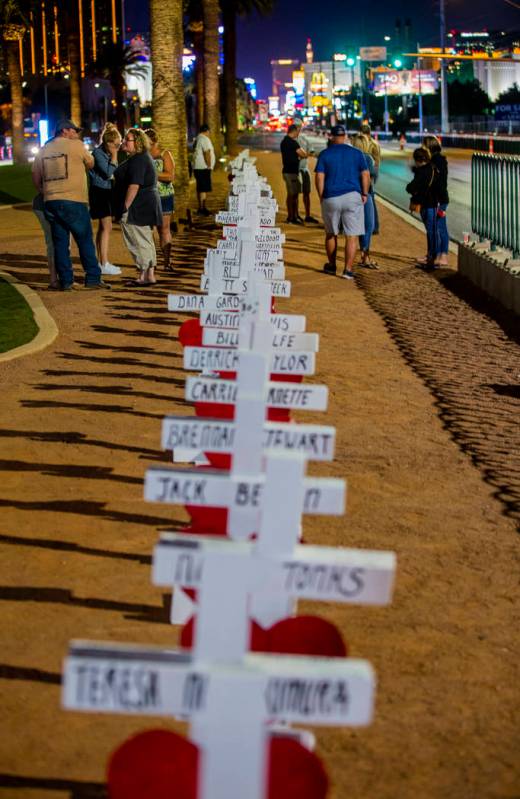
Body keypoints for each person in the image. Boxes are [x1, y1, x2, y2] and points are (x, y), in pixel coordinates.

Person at [31, 119, 109, 290]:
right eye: (74, 131)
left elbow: (36, 178)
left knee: (60, 243)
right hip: (74, 200)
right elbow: (91, 163)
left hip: (51, 201)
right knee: (84, 240)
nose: (76, 134)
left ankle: (66, 281)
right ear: (65, 130)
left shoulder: (44, 150)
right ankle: (93, 279)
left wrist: (46, 192)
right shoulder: (77, 146)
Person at [314, 123, 370, 280]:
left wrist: (321, 196)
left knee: (331, 234)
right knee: (351, 236)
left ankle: (331, 266)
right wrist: (364, 193)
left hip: (331, 196)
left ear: (331, 137)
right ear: (344, 136)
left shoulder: (325, 154)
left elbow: (319, 177)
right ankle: (348, 270)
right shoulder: (357, 153)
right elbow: (365, 175)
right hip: (353, 196)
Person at [112, 128, 162, 286]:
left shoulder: (139, 160)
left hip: (137, 205)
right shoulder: (141, 158)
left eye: (128, 139)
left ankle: (143, 274)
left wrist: (124, 207)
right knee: (145, 238)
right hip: (146, 203)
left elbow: (134, 185)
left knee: (136, 239)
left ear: (138, 143)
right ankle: (149, 274)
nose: (124, 141)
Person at [89, 122, 122, 276]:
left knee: (104, 227)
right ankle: (104, 263)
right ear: (108, 143)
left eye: (119, 145)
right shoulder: (98, 154)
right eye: (116, 145)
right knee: (106, 227)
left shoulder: (106, 153)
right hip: (99, 191)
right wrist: (115, 156)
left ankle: (101, 261)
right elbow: (109, 173)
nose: (118, 148)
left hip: (106, 191)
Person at [144, 128, 175, 273]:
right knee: (147, 231)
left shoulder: (165, 155)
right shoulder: (143, 155)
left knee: (164, 229)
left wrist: (153, 174)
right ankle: (151, 262)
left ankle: (167, 261)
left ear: (154, 141)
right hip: (148, 197)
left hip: (164, 197)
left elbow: (170, 176)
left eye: (147, 142)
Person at [405, 146, 440, 271]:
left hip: (426, 205)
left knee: (431, 232)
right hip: (434, 204)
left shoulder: (422, 172)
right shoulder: (433, 168)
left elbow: (411, 187)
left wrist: (410, 188)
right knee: (433, 232)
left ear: (418, 160)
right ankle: (433, 257)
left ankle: (431, 260)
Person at [351, 134, 378, 269]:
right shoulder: (367, 157)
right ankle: (365, 257)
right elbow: (372, 175)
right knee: (369, 226)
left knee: (354, 228)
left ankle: (355, 257)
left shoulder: (349, 158)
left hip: (351, 194)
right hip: (365, 194)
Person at [423, 134, 449, 267]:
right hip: (433, 199)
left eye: (424, 145)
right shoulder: (433, 160)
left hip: (439, 200)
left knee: (440, 228)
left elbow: (439, 183)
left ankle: (443, 255)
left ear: (430, 147)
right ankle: (432, 254)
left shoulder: (438, 161)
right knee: (432, 228)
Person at [280, 124, 308, 225]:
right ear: (294, 131)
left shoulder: (284, 141)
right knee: (292, 195)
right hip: (291, 172)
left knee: (292, 194)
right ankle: (291, 217)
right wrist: (303, 156)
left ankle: (293, 215)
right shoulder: (292, 143)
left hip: (288, 171)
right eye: (298, 131)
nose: (298, 133)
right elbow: (303, 154)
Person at [292, 118, 319, 223]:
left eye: (300, 126)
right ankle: (295, 214)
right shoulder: (290, 140)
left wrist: (311, 152)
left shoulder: (304, 139)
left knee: (306, 192)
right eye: (297, 127)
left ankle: (307, 215)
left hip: (304, 169)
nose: (299, 129)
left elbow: (311, 149)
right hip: (295, 170)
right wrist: (306, 154)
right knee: (295, 193)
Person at [32, 192, 58, 289]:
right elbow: (39, 186)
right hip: (44, 206)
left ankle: (64, 278)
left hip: (64, 205)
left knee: (64, 242)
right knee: (53, 241)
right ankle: (54, 280)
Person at [360, 122, 381, 235]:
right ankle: (373, 226)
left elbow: (376, 161)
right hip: (369, 173)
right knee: (370, 199)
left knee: (370, 198)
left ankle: (374, 226)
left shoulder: (370, 144)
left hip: (369, 172)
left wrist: (372, 176)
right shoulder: (374, 143)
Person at [193, 124, 215, 216]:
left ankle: (201, 207)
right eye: (209, 132)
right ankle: (202, 209)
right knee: (203, 189)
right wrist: (209, 165)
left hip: (198, 167)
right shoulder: (204, 139)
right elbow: (207, 152)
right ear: (206, 131)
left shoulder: (198, 138)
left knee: (200, 188)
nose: (209, 134)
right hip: (203, 167)